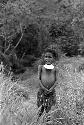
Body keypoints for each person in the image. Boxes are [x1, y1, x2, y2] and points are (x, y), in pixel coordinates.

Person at [37, 48, 59, 119]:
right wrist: (44, 88)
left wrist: (51, 89)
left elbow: (56, 80)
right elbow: (39, 79)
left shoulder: (55, 69)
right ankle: (39, 121)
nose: (47, 58)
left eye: (50, 57)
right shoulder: (41, 67)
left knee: (49, 109)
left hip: (51, 92)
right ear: (43, 58)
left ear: (54, 58)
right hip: (42, 91)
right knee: (40, 108)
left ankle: (47, 121)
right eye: (46, 57)